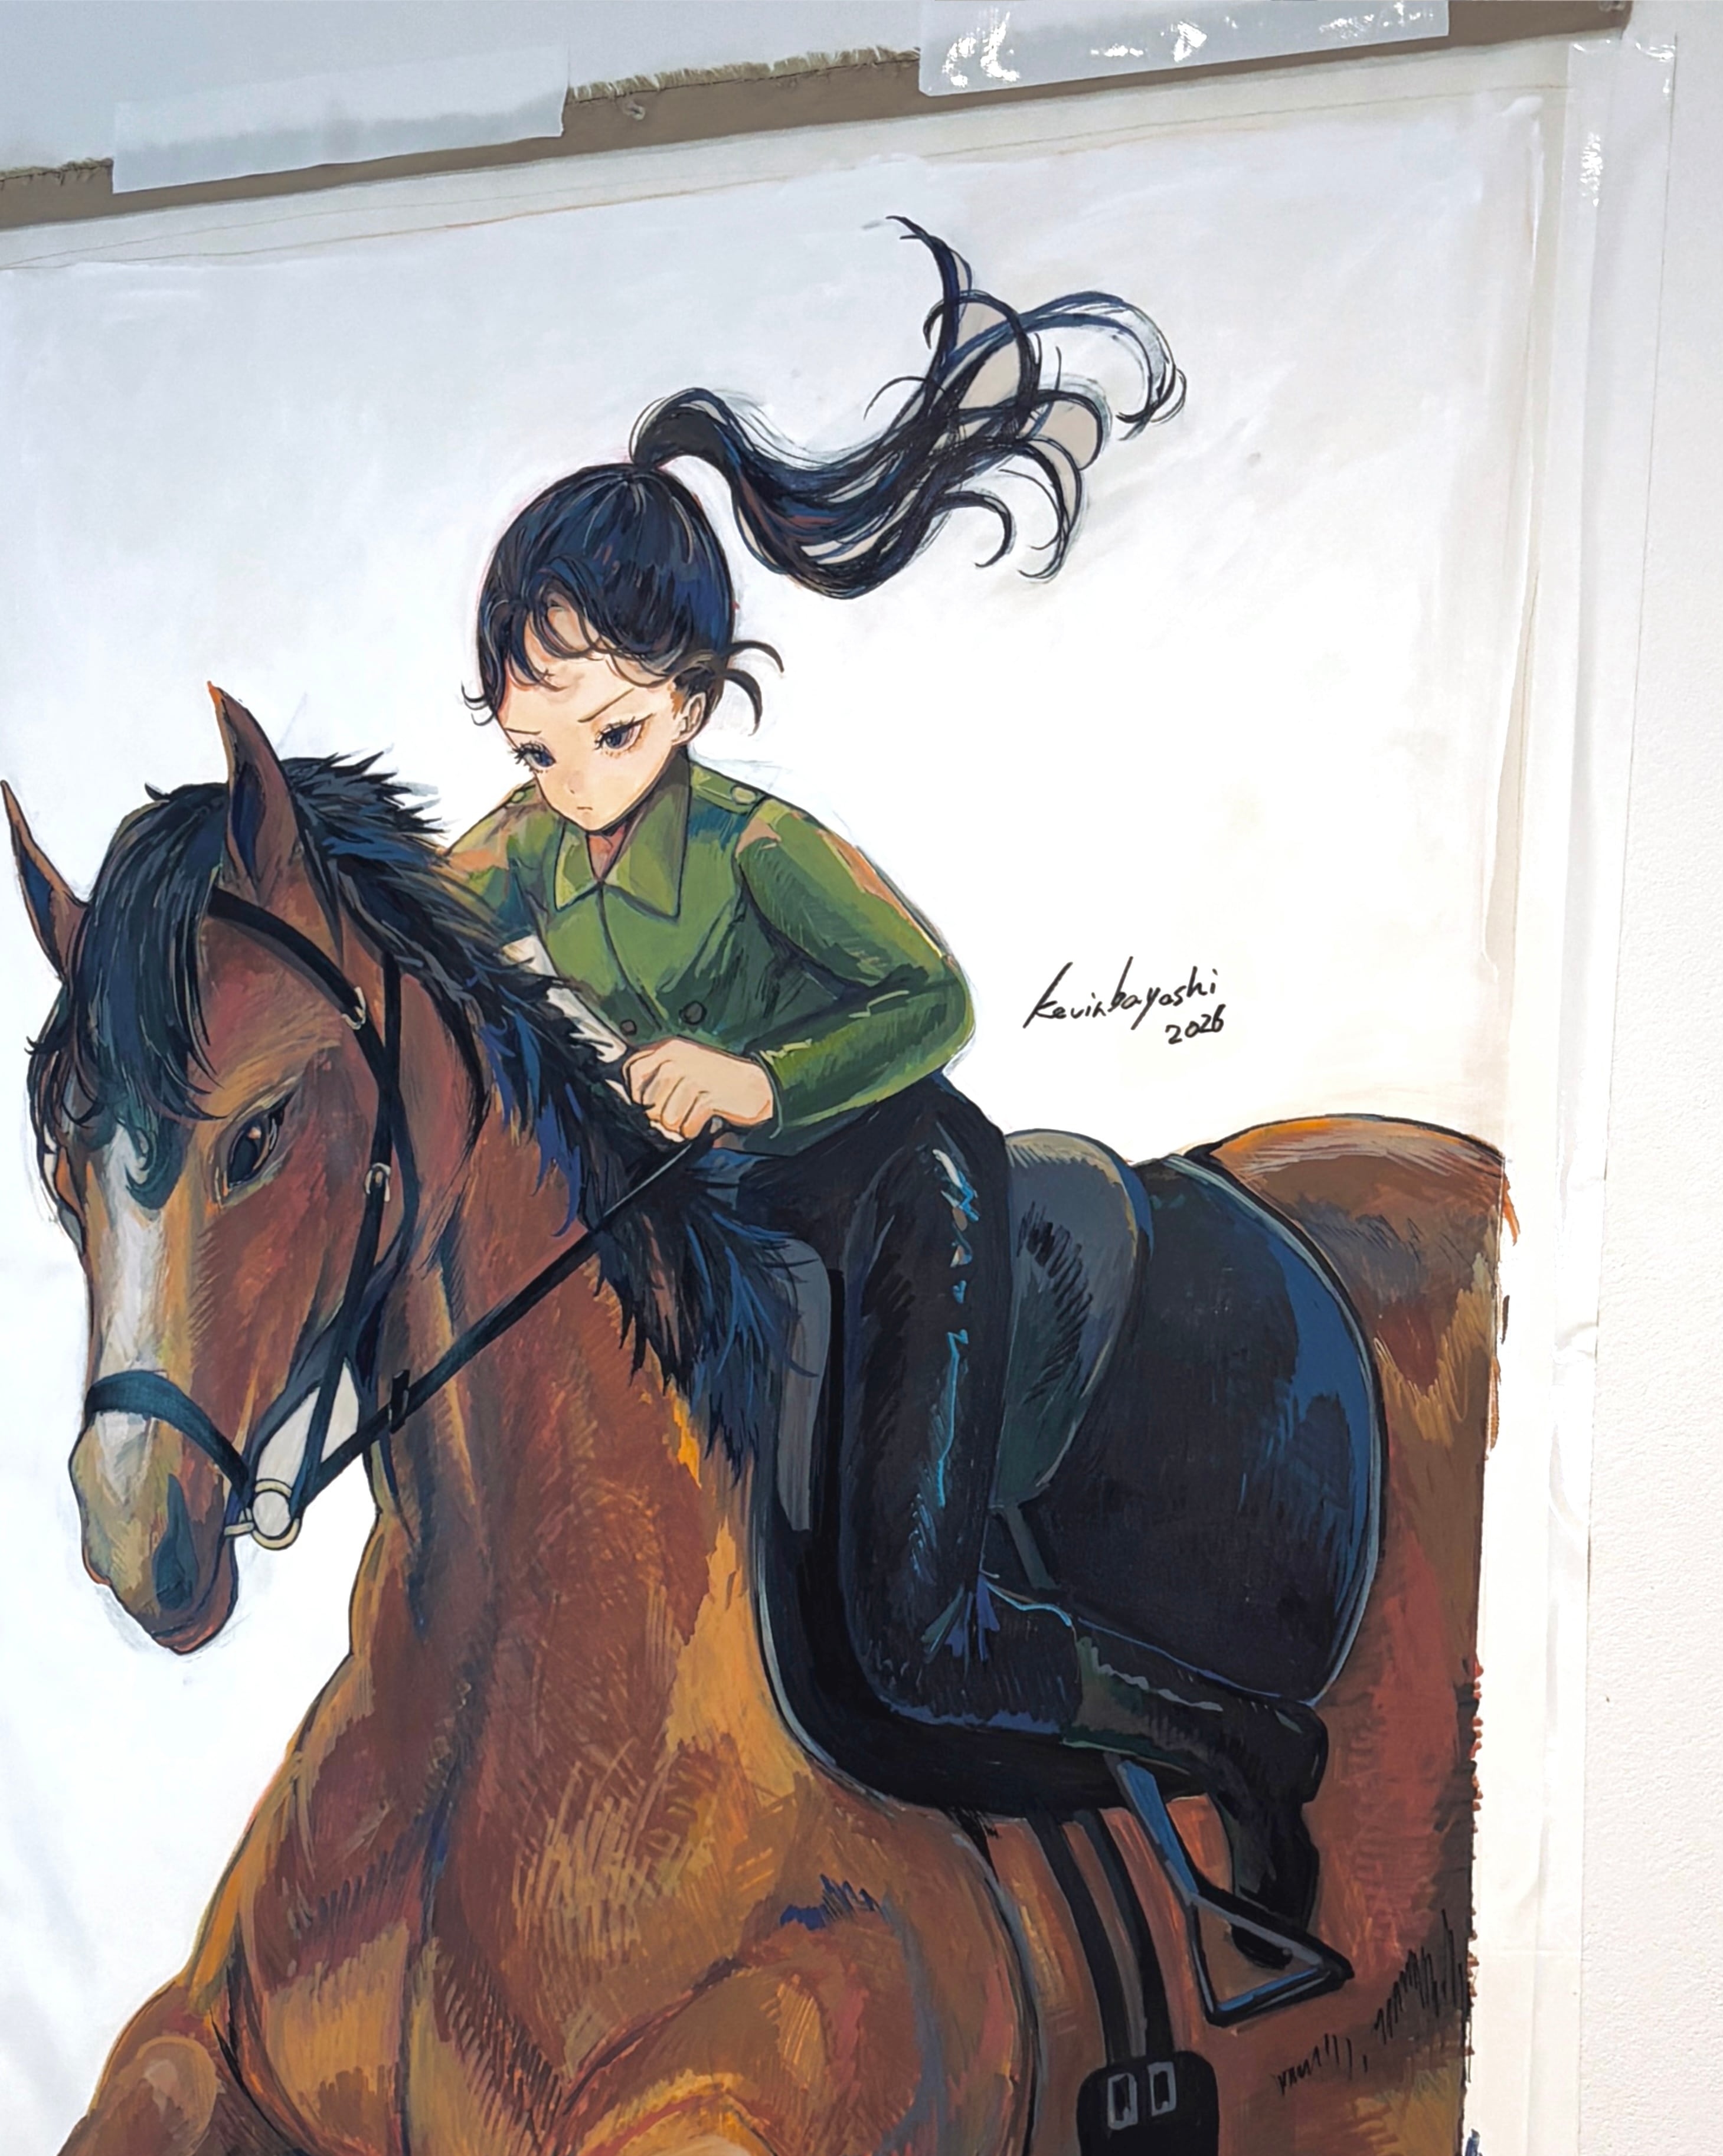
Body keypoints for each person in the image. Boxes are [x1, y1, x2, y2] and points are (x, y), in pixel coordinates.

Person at [446, 224, 1326, 1899]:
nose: (573, 783)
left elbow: (936, 999)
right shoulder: (530, 848)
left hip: (902, 1193)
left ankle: (1239, 1744)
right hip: (739, 1216)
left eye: (612, 736)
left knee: (921, 1641)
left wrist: (758, 1080)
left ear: (693, 702)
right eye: (538, 749)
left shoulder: (764, 846)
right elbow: (411, 929)